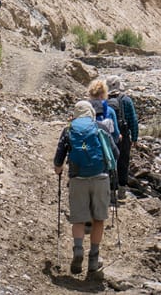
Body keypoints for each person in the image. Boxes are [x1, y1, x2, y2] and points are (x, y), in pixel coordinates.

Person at [53, 101, 114, 277]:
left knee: (78, 219)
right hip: (100, 178)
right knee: (99, 219)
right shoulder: (101, 127)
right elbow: (114, 153)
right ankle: (93, 259)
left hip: (78, 180)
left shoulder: (68, 130)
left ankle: (78, 249)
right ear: (91, 113)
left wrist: (59, 169)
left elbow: (58, 161)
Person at [106, 76, 139, 199]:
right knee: (123, 163)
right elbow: (133, 120)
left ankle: (110, 191)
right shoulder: (126, 100)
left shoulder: (103, 100)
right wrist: (134, 138)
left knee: (108, 161)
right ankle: (122, 192)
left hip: (107, 136)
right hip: (124, 136)